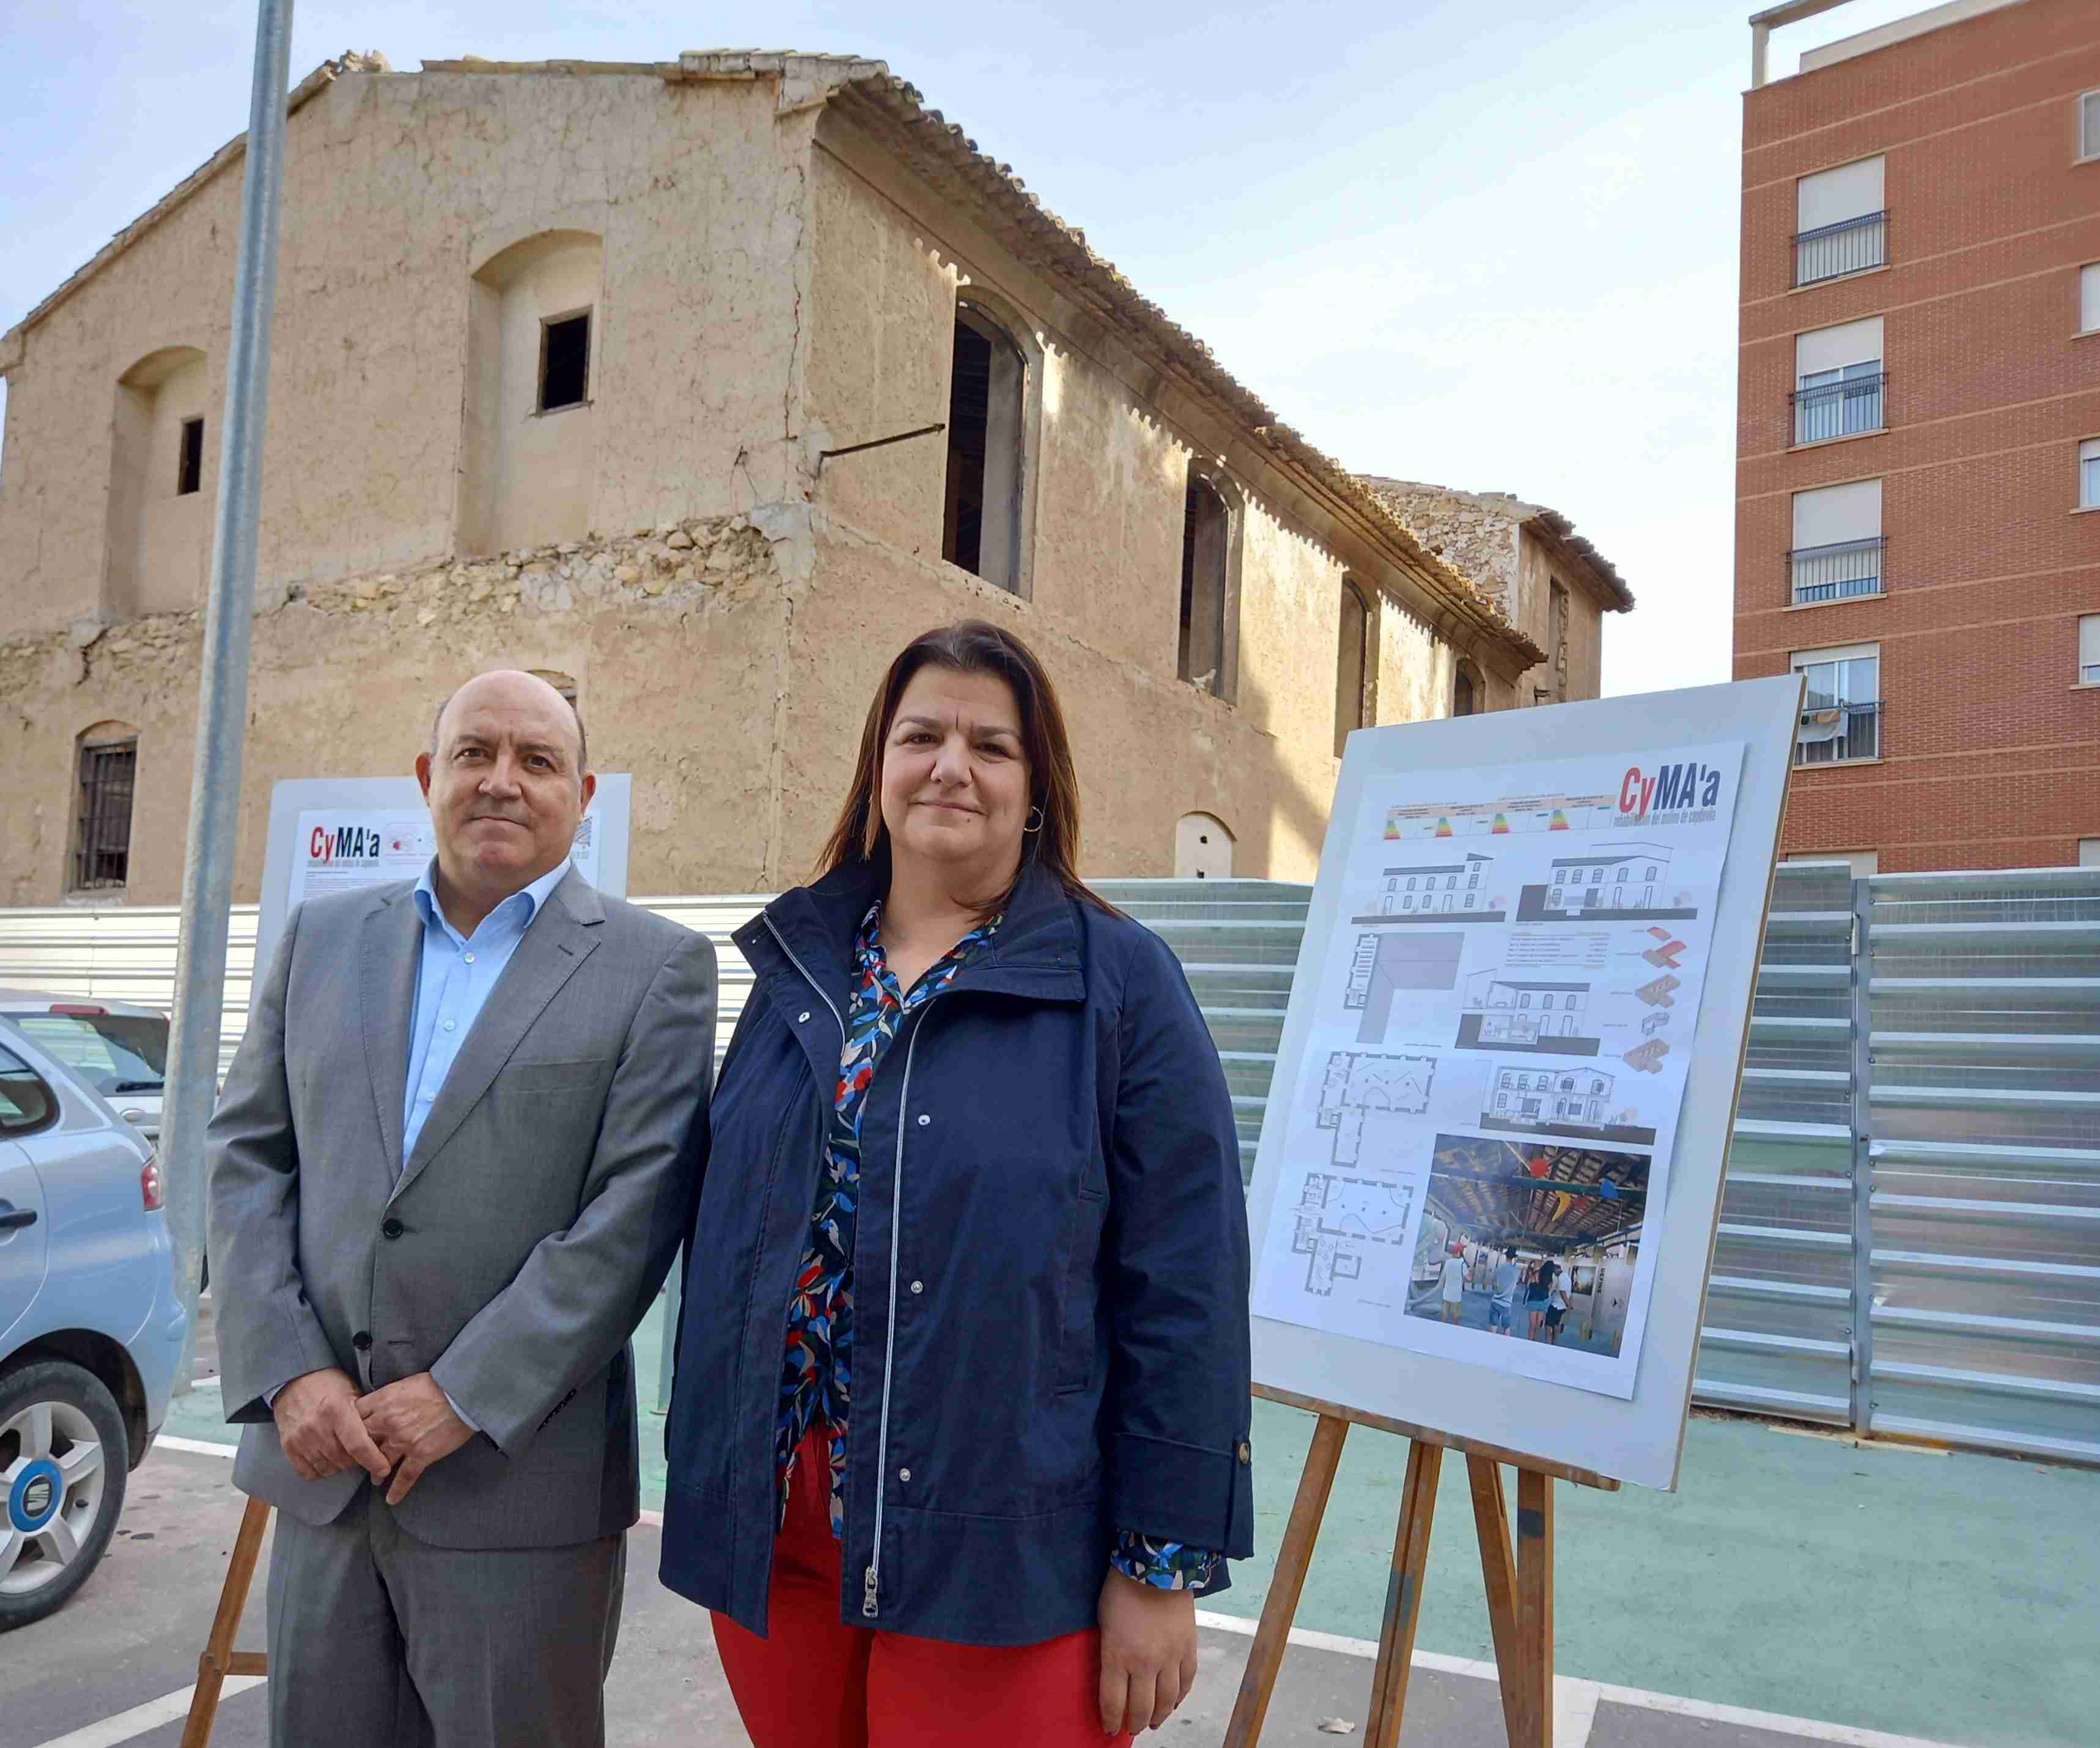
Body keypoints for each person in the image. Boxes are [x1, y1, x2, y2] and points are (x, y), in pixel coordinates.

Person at [659, 621, 1253, 1746]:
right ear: (879, 765)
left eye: (992, 745)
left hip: (1000, 1541)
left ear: (1036, 788)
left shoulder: (1117, 984)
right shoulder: (798, 965)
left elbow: (1188, 1286)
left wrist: (1161, 1566)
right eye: (921, 734)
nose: (950, 765)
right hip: (780, 1530)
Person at [207, 670, 717, 1747]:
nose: (503, 782)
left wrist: (466, 1393)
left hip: (515, 1490)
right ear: (429, 778)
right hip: (325, 1476)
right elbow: (249, 1156)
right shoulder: (320, 939)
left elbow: (633, 1215)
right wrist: (289, 1370)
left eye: (536, 762)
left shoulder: (656, 967)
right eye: (476, 754)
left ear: (582, 796)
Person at [1488, 1250, 1522, 1335]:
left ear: (1506, 1257)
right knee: (1506, 1328)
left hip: (1496, 1300)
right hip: (1507, 1303)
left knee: (1493, 1326)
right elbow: (1516, 1283)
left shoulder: (1499, 1268)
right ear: (1514, 1258)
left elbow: (1494, 1284)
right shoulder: (1517, 1271)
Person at [1439, 1243, 1467, 1323]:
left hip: (1446, 1294)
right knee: (1455, 1318)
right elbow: (1468, 1277)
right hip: (1456, 1296)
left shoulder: (1448, 1262)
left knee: (1444, 1316)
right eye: (1463, 1250)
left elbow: (1444, 1277)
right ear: (1459, 1252)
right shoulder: (1462, 1264)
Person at [1542, 1273, 1571, 1345]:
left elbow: (1562, 1292)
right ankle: (1554, 1344)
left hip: (1556, 1306)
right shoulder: (1566, 1278)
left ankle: (1548, 1345)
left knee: (1548, 1326)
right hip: (1561, 1306)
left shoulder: (1561, 1278)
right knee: (1556, 1325)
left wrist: (1568, 1304)